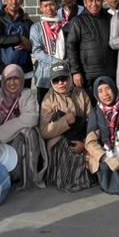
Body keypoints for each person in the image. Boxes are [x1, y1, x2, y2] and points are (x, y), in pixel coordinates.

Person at [0, 63, 45, 186]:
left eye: (16, 78)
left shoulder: (27, 94)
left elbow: (32, 118)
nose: (12, 83)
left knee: (30, 132)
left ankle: (30, 174)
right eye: (8, 79)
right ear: (3, 80)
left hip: (16, 139)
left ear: (22, 79)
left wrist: (2, 132)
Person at [39, 62, 92, 192]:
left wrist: (84, 144)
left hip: (81, 137)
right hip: (58, 141)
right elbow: (44, 131)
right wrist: (65, 122)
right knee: (67, 150)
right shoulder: (48, 99)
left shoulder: (81, 94)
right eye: (56, 80)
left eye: (63, 78)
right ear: (51, 82)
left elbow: (92, 123)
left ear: (69, 77)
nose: (61, 83)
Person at [66, 0, 117, 92]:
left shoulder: (110, 19)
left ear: (102, 1)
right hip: (88, 74)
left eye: (97, 0)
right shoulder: (78, 21)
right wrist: (76, 72)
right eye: (90, 1)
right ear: (85, 2)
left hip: (109, 71)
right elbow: (71, 47)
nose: (94, 4)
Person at [31, 0, 67, 98]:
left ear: (57, 5)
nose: (49, 8)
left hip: (64, 73)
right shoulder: (36, 28)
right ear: (41, 8)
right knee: (45, 109)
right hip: (44, 75)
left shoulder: (65, 25)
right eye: (45, 6)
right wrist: (57, 61)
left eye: (51, 4)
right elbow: (37, 51)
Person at [0, 0, 33, 75]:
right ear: (5, 1)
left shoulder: (27, 21)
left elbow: (35, 41)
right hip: (3, 69)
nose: (14, 2)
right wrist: (19, 38)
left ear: (21, 2)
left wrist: (30, 46)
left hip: (25, 69)